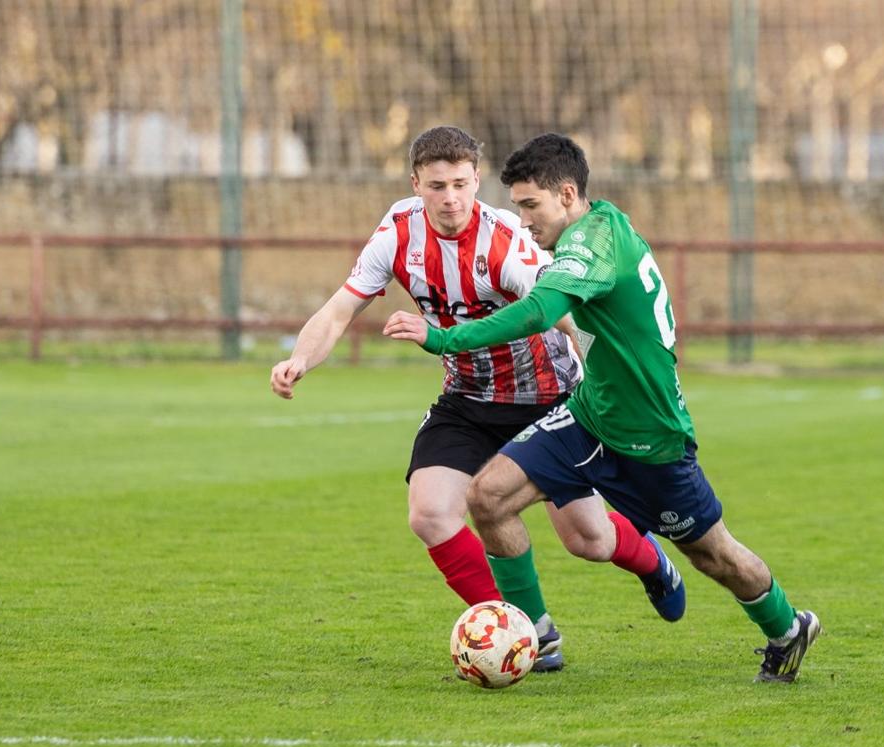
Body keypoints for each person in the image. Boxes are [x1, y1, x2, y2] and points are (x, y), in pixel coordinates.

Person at [383, 133, 820, 682]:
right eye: (517, 206)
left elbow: (541, 311)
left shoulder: (594, 244)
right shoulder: (597, 225)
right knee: (489, 496)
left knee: (714, 556)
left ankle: (787, 627)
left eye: (530, 205)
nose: (522, 221)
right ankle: (533, 636)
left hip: (649, 435)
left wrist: (444, 338)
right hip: (590, 414)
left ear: (567, 194)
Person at [271, 126, 685, 672]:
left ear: (476, 181)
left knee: (589, 538)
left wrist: (603, 385)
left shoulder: (508, 241)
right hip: (465, 399)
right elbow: (339, 310)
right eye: (437, 185)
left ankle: (654, 562)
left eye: (461, 185)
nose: (450, 198)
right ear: (415, 183)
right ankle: (529, 632)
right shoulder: (396, 234)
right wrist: (300, 358)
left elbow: (569, 319)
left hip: (545, 398)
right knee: (430, 513)